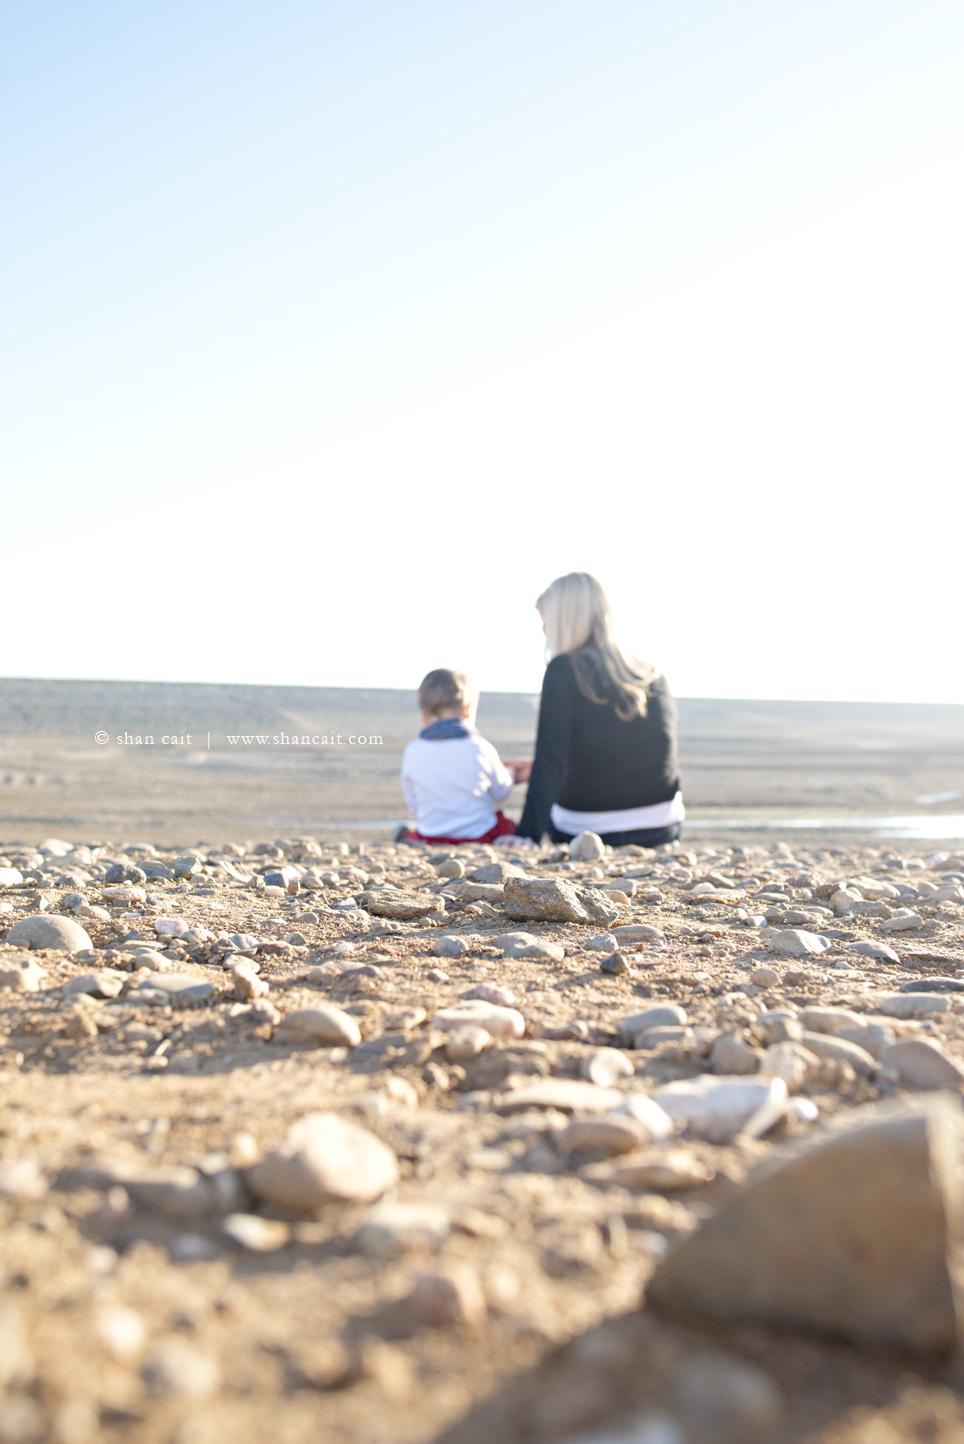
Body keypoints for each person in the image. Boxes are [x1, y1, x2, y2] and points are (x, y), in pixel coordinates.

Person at [513, 573, 683, 848]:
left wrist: (526, 835)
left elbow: (550, 760)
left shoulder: (563, 669)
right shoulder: (652, 675)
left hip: (587, 828)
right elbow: (645, 755)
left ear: (563, 623)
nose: (546, 634)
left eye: (547, 626)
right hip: (659, 827)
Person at [397, 668, 524, 845]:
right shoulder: (479, 747)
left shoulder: (412, 750)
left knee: (416, 833)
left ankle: (404, 836)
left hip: (432, 835)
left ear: (424, 716)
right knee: (511, 826)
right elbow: (500, 792)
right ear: (467, 711)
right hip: (479, 834)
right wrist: (510, 772)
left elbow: (414, 805)